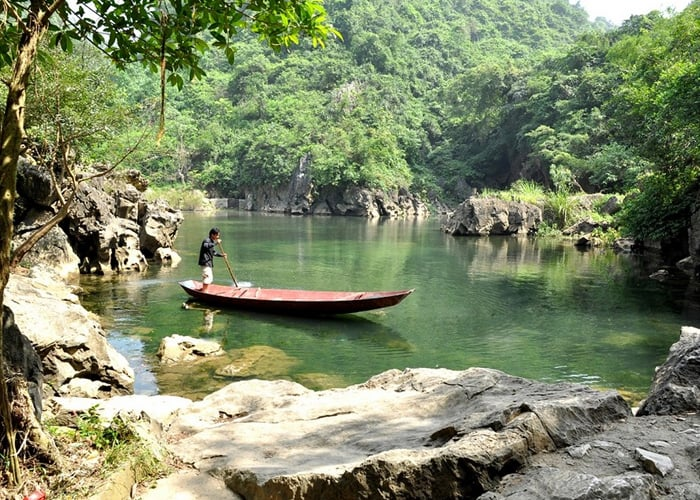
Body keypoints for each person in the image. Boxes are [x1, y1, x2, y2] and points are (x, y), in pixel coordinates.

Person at [198, 227, 226, 291]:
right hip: (205, 262)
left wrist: (222, 255)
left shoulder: (211, 241)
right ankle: (204, 292)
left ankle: (203, 289)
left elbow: (213, 252)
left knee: (209, 278)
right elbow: (206, 246)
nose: (218, 237)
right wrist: (216, 243)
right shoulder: (206, 240)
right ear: (212, 235)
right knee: (207, 278)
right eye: (217, 235)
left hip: (208, 263)